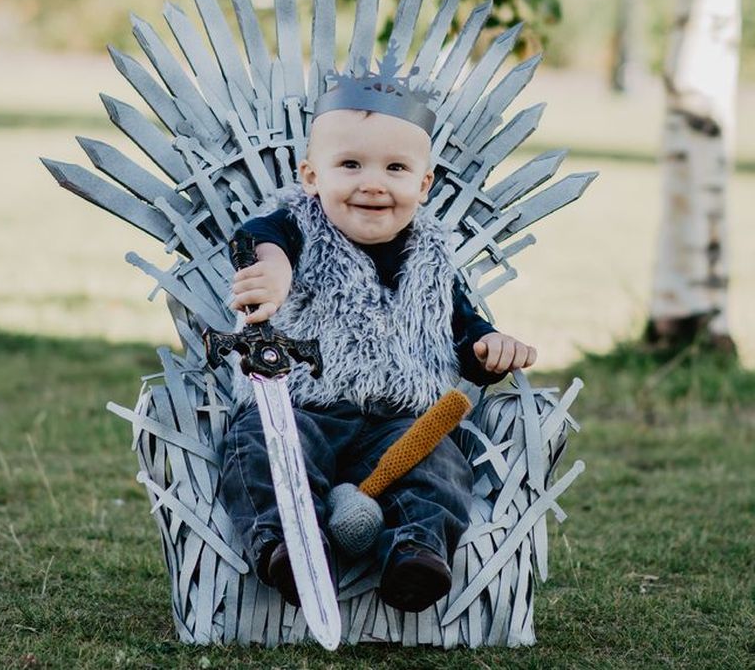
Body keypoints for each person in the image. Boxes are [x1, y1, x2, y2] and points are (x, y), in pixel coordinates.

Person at [219, 70, 536, 613]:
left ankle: (414, 554)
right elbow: (259, 238)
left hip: (400, 422)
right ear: (312, 175)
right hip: (306, 408)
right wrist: (271, 270)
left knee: (441, 465)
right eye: (350, 165)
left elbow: (463, 328)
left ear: (424, 183)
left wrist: (490, 349)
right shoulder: (299, 229)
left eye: (396, 168)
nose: (373, 183)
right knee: (262, 446)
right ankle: (290, 546)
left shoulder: (434, 260)